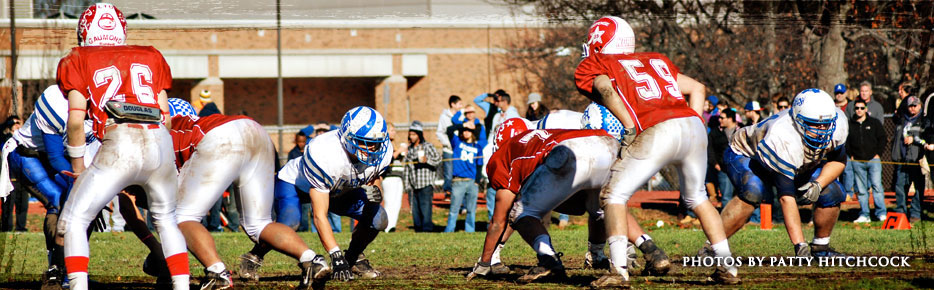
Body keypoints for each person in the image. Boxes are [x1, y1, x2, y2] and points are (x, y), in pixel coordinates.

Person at [575, 16, 736, 287]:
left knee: (612, 195)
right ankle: (727, 267)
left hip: (656, 128)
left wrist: (628, 124)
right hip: (691, 124)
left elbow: (603, 87)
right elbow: (698, 88)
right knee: (697, 197)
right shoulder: (653, 59)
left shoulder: (599, 62)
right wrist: (694, 123)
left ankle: (619, 271)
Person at [54, 4, 190, 289]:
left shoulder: (77, 58)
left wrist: (78, 166)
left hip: (119, 139)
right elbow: (165, 115)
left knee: (77, 219)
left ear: (83, 32)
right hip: (158, 138)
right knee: (166, 220)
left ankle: (78, 286)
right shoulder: (151, 55)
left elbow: (76, 121)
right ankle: (182, 285)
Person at [162, 100, 328, 289]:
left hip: (222, 138)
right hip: (255, 130)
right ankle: (312, 260)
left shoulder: (169, 133)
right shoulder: (197, 123)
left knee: (182, 216)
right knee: (259, 223)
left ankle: (217, 271)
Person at [717, 89, 849, 261]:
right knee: (754, 191)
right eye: (815, 125)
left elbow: (838, 160)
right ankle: (713, 246)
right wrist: (800, 246)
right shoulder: (783, 137)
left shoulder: (837, 124)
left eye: (826, 124)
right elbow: (786, 197)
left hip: (796, 162)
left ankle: (821, 248)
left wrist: (818, 184)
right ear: (799, 121)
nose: (822, 130)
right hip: (746, 154)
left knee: (832, 191)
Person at [847, 99, 888, 223]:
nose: (859, 110)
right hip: (857, 161)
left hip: (873, 160)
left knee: (877, 187)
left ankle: (881, 213)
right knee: (861, 190)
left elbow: (883, 138)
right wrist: (851, 155)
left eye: (861, 108)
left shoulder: (874, 123)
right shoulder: (850, 124)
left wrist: (878, 154)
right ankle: (865, 214)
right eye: (857, 108)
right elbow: (846, 141)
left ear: (866, 109)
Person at [444, 117, 486, 233]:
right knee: (454, 208)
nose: (465, 132)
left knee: (471, 209)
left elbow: (479, 165)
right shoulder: (457, 142)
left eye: (468, 130)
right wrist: (462, 125)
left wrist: (477, 181)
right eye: (464, 130)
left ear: (472, 133)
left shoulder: (477, 147)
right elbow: (449, 130)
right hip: (458, 181)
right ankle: (449, 230)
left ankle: (470, 230)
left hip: (472, 182)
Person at [892, 96, 927, 223]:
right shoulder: (901, 120)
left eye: (915, 105)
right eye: (910, 106)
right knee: (900, 187)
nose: (912, 108)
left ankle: (915, 213)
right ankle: (900, 212)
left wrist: (915, 140)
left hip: (916, 159)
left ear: (920, 106)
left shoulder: (924, 121)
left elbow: (927, 138)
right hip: (902, 159)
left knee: (918, 188)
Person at [402, 121, 441, 232]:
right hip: (413, 184)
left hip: (426, 183)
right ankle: (418, 229)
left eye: (414, 134)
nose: (411, 137)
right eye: (410, 134)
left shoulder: (428, 146)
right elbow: (407, 168)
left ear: (419, 134)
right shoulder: (409, 149)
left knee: (426, 207)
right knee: (415, 209)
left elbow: (438, 159)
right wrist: (407, 185)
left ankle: (427, 229)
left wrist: (427, 160)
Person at [381, 123, 406, 232]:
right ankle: (385, 226)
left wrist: (401, 154)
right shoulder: (384, 144)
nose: (394, 132)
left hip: (398, 176)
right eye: (391, 130)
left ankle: (392, 226)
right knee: (390, 202)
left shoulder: (393, 145)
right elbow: (388, 158)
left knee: (397, 203)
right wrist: (399, 151)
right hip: (389, 177)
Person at [437, 95, 463, 198]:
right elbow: (440, 132)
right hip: (448, 150)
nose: (461, 106)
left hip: (459, 150)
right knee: (448, 173)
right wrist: (448, 144)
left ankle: (459, 196)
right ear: (453, 104)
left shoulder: (461, 117)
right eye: (459, 104)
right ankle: (448, 192)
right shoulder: (444, 117)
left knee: (458, 173)